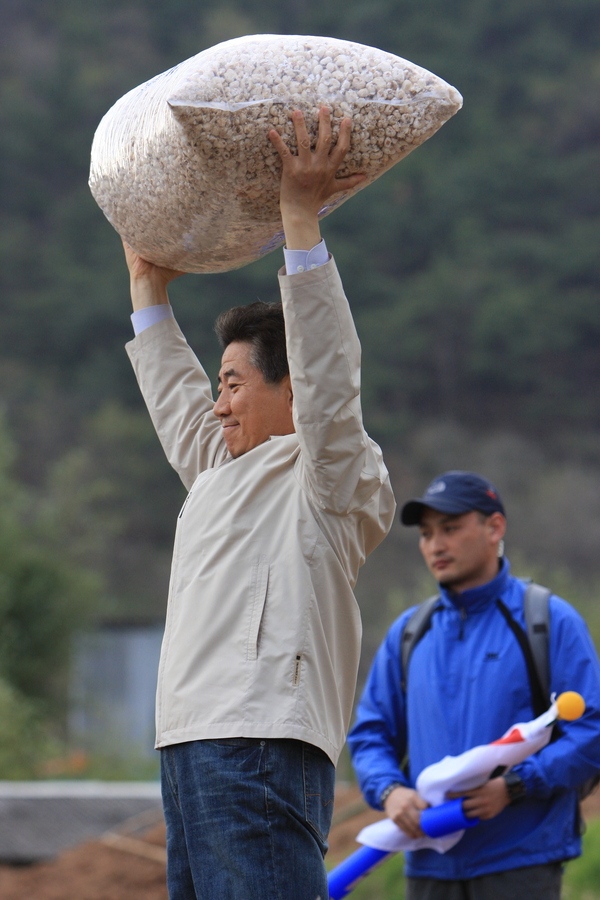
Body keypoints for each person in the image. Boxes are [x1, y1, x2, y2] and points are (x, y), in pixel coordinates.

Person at [122, 107, 396, 900]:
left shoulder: (330, 473)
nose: (219, 405)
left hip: (260, 738)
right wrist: (148, 287)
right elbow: (177, 403)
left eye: (235, 384)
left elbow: (329, 370)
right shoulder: (220, 474)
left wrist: (299, 220)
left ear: (291, 392)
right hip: (188, 744)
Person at [348, 470, 600, 900]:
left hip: (521, 862)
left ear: (494, 527)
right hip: (428, 862)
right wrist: (390, 791)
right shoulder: (409, 633)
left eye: (450, 528)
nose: (435, 545)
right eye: (426, 534)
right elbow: (370, 735)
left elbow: (591, 732)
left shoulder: (549, 620)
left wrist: (515, 786)